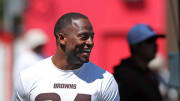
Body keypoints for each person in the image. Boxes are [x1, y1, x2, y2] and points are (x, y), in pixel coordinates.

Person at [12, 12, 120, 101]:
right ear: (62, 38)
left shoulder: (105, 80)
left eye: (92, 37)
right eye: (84, 37)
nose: (90, 42)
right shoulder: (28, 77)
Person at [113, 24, 165, 101]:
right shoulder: (125, 78)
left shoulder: (148, 74)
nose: (155, 45)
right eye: (149, 41)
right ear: (136, 46)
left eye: (155, 41)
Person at [12, 28, 48, 100]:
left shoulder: (44, 56)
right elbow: (18, 79)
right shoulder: (25, 58)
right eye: (39, 45)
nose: (41, 46)